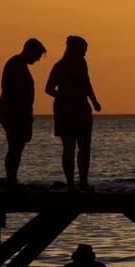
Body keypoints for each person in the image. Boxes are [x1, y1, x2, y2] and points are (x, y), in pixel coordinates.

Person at [45, 35, 102, 191]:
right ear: (74, 49)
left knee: (85, 146)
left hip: (82, 109)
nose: (85, 53)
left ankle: (83, 180)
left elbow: (87, 82)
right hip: (65, 111)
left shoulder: (82, 64)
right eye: (83, 50)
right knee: (69, 147)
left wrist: (94, 100)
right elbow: (48, 88)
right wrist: (63, 96)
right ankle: (70, 183)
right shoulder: (59, 66)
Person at [0, 38, 47, 187]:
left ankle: (12, 178)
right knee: (15, 146)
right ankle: (11, 179)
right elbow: (10, 91)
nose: (37, 60)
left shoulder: (19, 64)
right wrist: (22, 115)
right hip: (12, 112)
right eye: (37, 55)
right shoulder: (15, 64)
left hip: (17, 113)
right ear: (30, 51)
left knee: (16, 147)